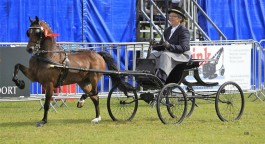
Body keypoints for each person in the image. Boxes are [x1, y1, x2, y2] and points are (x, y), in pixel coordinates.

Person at [148, 6, 191, 83]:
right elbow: (162, 46)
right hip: (170, 53)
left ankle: (161, 79)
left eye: (173, 16)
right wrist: (155, 45)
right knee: (153, 54)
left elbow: (184, 47)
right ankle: (150, 76)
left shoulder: (184, 31)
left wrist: (169, 46)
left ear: (180, 19)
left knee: (165, 55)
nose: (171, 18)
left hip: (182, 55)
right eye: (170, 16)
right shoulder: (167, 30)